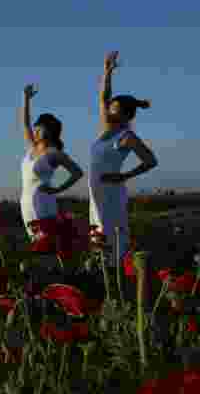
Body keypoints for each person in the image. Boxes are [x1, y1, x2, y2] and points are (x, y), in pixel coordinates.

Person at [89, 51, 158, 266]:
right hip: (97, 192)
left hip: (111, 192)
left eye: (114, 110)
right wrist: (107, 72)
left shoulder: (126, 137)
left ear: (126, 116)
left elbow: (151, 160)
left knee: (111, 234)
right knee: (98, 235)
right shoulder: (104, 132)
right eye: (110, 108)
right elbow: (102, 99)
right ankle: (103, 272)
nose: (109, 111)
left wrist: (125, 176)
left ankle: (118, 272)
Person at [20, 84, 84, 238]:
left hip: (43, 201)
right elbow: (25, 123)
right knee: (35, 241)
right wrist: (26, 99)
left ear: (49, 131)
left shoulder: (54, 154)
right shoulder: (32, 147)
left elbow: (77, 172)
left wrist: (58, 190)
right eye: (35, 128)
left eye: (39, 128)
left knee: (47, 240)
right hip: (26, 201)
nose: (35, 131)